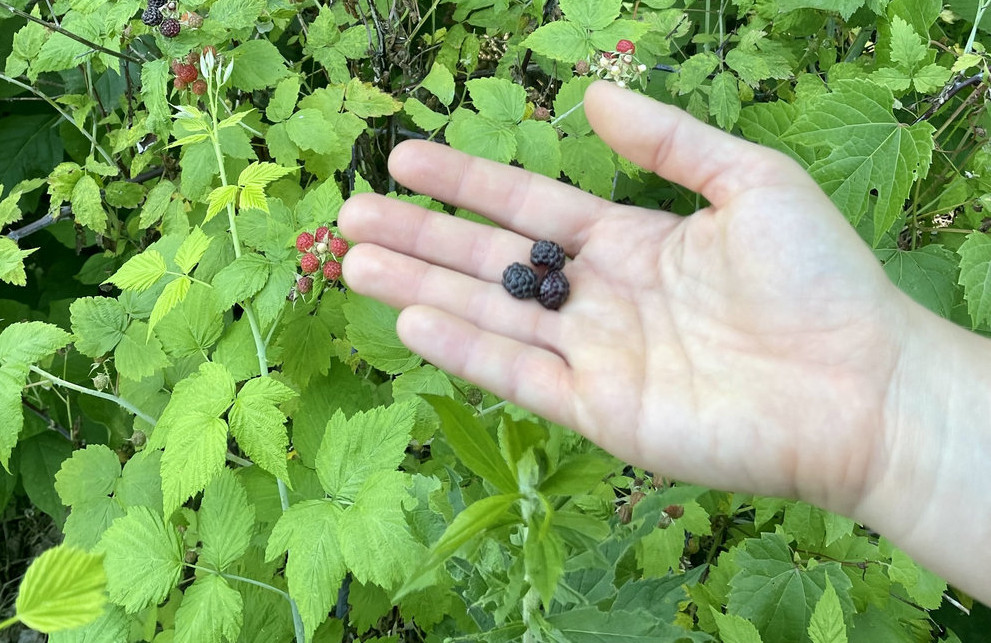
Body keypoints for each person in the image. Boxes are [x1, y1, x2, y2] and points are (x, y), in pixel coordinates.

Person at [337, 79, 991, 603]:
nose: (544, 272)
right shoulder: (548, 274)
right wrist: (893, 406)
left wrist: (889, 400)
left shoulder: (551, 274)